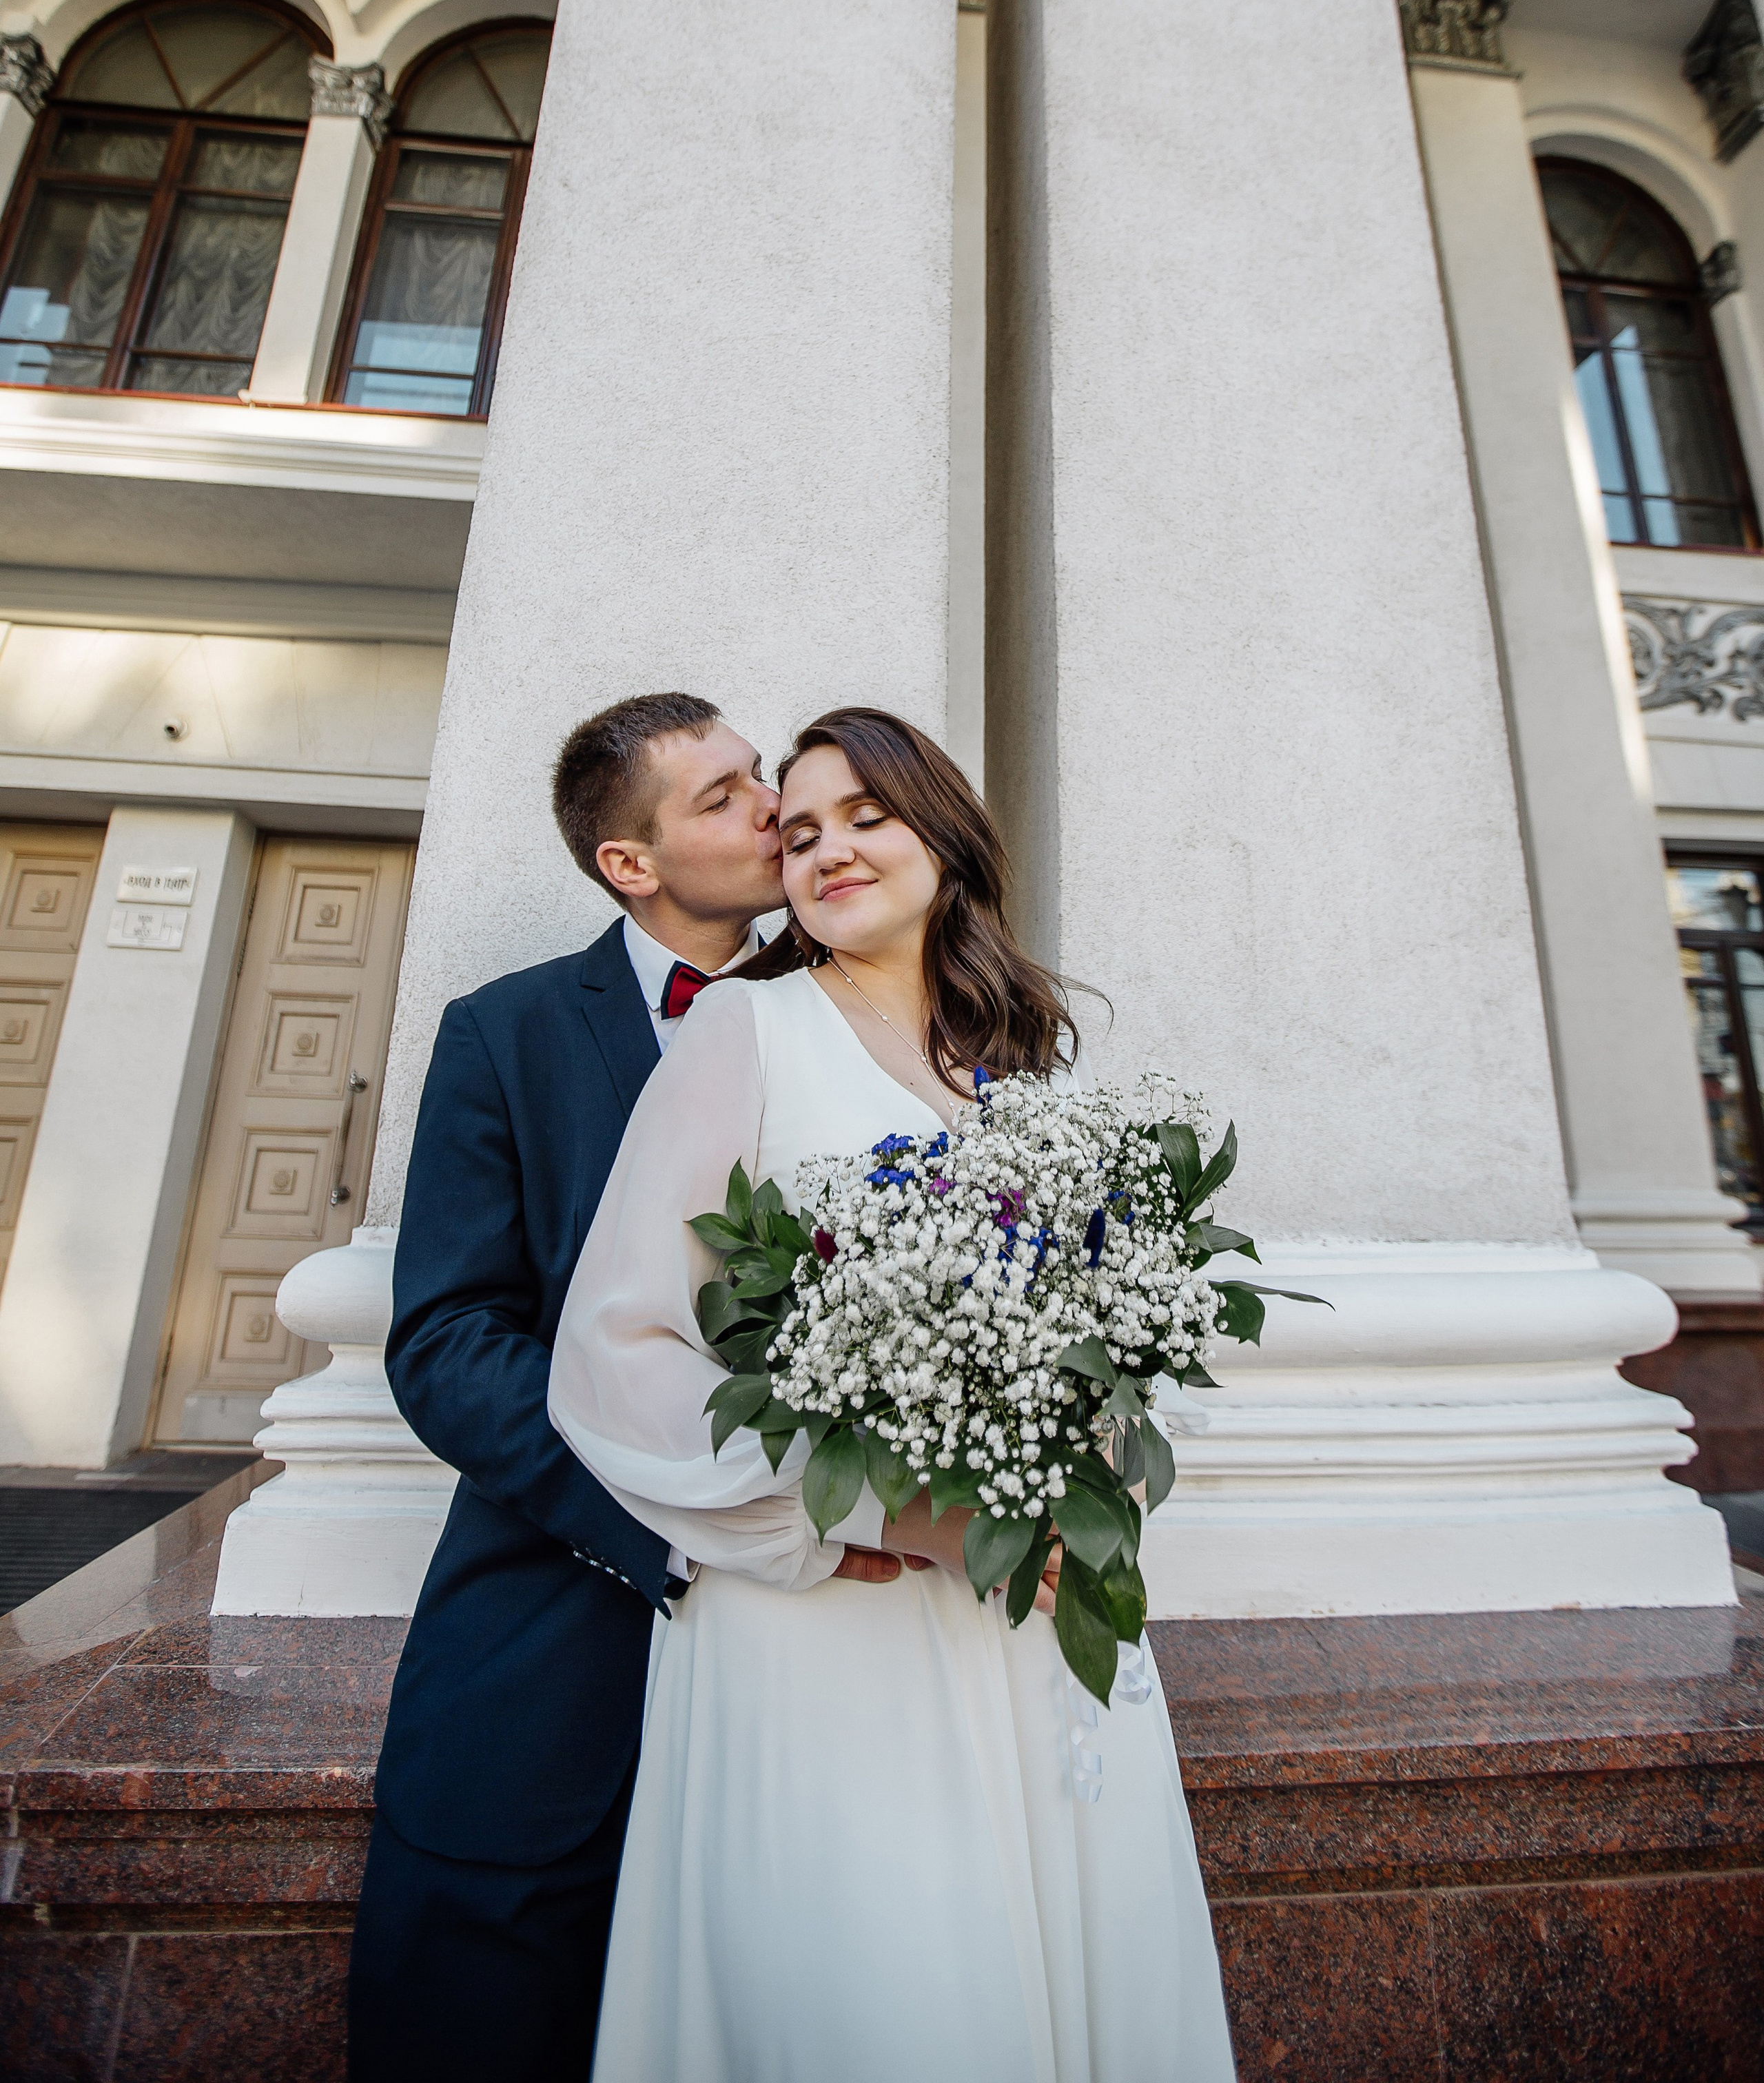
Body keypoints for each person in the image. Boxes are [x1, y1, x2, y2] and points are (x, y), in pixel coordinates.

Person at [548, 706, 1238, 2082]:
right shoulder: (741, 1035)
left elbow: (1112, 1318)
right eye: (797, 832)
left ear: (942, 832)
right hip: (832, 1619)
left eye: (864, 814)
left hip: (1032, 1613)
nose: (828, 849)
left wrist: (1066, 1468)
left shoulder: (1037, 1060)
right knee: (882, 1987)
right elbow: (614, 1347)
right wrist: (878, 1507)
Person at [349, 691, 910, 2082]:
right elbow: (448, 1342)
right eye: (722, 798)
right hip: (562, 1630)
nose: (775, 813)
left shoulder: (866, 1019)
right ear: (630, 865)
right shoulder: (507, 1034)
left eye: (762, 779)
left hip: (838, 1660)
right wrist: (681, 1519)